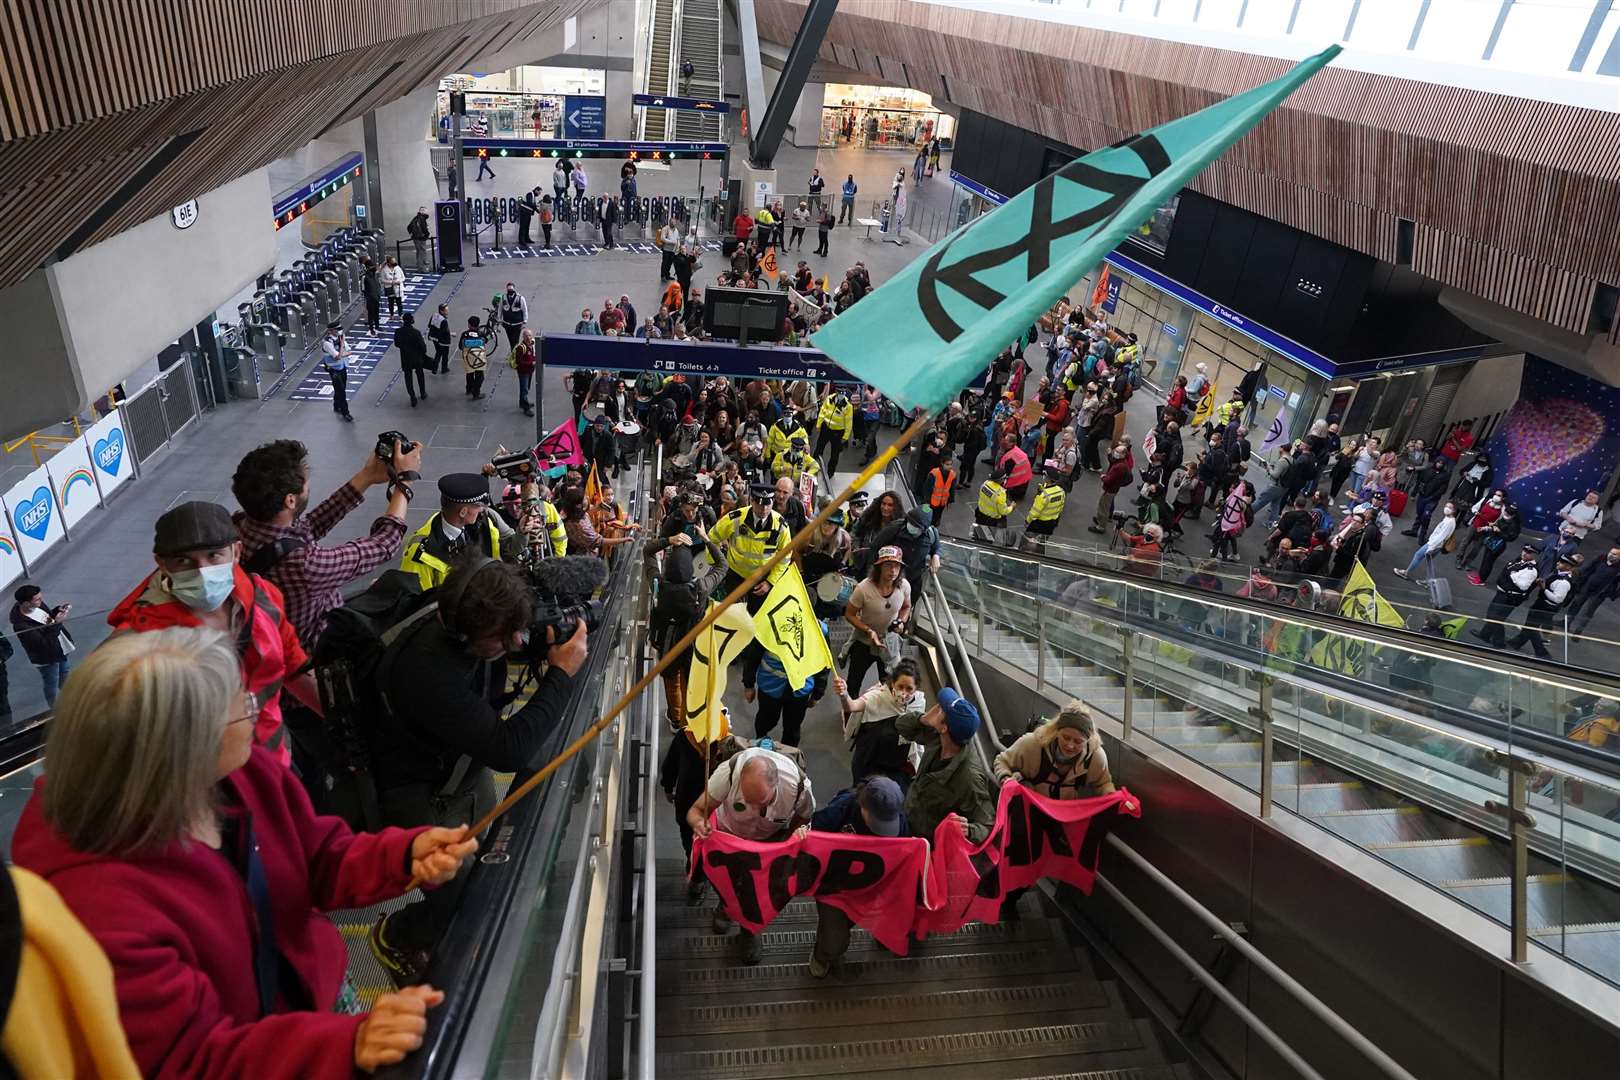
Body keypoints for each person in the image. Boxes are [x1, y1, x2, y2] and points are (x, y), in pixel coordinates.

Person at [11, 627, 478, 1077]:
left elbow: (316, 855)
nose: (256, 712)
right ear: (184, 749)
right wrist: (341, 1046)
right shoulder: (98, 907)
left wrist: (400, 855)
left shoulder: (239, 772)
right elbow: (189, 1063)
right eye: (243, 705)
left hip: (314, 1003)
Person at [366, 560, 587, 983]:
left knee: (483, 855)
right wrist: (560, 675)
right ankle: (397, 935)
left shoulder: (462, 613)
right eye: (504, 639)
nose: (516, 642)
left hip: (458, 765)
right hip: (416, 789)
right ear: (469, 635)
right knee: (457, 885)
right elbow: (509, 751)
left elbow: (509, 641)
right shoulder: (428, 671)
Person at [109, 500, 319, 763]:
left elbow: (293, 666)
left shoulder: (264, 598)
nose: (203, 571)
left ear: (236, 551)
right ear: (162, 564)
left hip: (271, 763)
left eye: (214, 555)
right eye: (184, 561)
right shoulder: (137, 640)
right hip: (202, 784)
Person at [232, 437, 417, 645]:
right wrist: (404, 482)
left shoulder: (240, 526)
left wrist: (367, 476)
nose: (309, 484)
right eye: (306, 482)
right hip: (316, 645)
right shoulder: (304, 565)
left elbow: (308, 527)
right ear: (290, 500)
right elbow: (384, 544)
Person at [687, 745, 814, 963]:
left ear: (777, 786)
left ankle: (749, 931)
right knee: (728, 883)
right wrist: (699, 823)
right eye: (747, 800)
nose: (753, 809)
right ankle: (726, 907)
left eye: (761, 803)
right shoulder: (728, 773)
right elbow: (695, 811)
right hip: (730, 840)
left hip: (767, 847)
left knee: (757, 894)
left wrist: (792, 840)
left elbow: (806, 816)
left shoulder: (798, 787)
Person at [804, 776, 908, 979]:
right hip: (833, 887)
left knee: (843, 925)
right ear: (863, 806)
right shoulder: (843, 808)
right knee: (835, 941)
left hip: (867, 887)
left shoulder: (900, 823)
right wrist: (803, 835)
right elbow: (815, 832)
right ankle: (822, 954)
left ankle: (825, 944)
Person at [896, 688, 995, 844]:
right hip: (909, 814)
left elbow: (987, 824)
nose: (935, 708)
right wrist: (923, 719)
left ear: (945, 728)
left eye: (940, 709)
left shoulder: (970, 778)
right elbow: (901, 725)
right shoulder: (939, 738)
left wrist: (968, 830)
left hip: (926, 841)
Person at [399, 474, 518, 591]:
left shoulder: (484, 523)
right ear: (463, 512)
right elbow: (416, 602)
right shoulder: (419, 554)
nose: (483, 510)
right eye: (479, 506)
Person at [844, 546, 912, 696]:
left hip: (889, 643)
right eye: (888, 565)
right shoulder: (863, 589)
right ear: (879, 567)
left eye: (897, 566)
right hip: (864, 643)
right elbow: (849, 614)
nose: (893, 571)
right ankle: (849, 711)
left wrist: (900, 621)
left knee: (890, 682)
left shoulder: (904, 586)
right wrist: (868, 631)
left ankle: (881, 709)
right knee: (854, 682)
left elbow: (907, 606)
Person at [8, 586, 73, 708]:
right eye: (37, 599)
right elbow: (43, 644)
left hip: (59, 648)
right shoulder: (21, 625)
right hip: (47, 657)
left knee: (64, 673)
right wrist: (58, 623)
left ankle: (70, 702)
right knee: (52, 683)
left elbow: (46, 618)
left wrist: (56, 611)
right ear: (26, 603)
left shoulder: (36, 605)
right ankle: (54, 710)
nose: (41, 601)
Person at [1507, 552, 1578, 659]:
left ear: (1568, 567)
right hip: (1542, 603)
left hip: (1546, 606)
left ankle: (1542, 652)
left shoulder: (1564, 582)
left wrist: (1543, 588)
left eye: (1562, 562)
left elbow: (1558, 599)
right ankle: (1516, 642)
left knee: (1532, 627)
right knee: (1530, 625)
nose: (1558, 563)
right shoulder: (1558, 573)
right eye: (1559, 560)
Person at [1473, 544, 1541, 649]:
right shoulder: (1518, 561)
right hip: (1502, 592)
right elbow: (1506, 570)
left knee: (1497, 618)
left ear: (1534, 555)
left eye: (1528, 552)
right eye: (1524, 550)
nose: (1525, 553)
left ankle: (1499, 642)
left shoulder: (1531, 570)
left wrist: (1513, 575)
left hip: (1510, 597)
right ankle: (1485, 634)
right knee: (1491, 614)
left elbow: (1523, 586)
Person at [1395, 501, 1456, 580]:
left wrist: (1431, 547)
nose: (1446, 508)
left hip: (1434, 544)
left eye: (1450, 507)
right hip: (1436, 544)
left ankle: (1405, 573)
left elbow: (1441, 536)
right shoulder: (1448, 519)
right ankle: (1428, 581)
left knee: (1418, 555)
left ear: (1454, 510)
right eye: (1446, 506)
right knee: (1429, 562)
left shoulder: (1450, 522)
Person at [1570, 546, 1620, 635]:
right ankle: (1566, 622)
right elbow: (1588, 568)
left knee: (1588, 611)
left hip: (1600, 593)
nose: (1611, 555)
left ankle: (1579, 630)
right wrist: (1579, 578)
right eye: (1610, 552)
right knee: (1576, 604)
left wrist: (1614, 594)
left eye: (1614, 554)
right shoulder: (1601, 558)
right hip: (1587, 586)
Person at [1023, 464, 1067, 552]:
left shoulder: (1043, 496)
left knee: (1028, 541)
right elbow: (1060, 507)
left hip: (1039, 524)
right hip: (1051, 523)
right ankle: (1040, 553)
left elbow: (1034, 512)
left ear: (1048, 478)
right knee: (1042, 542)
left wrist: (1027, 521)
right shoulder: (1061, 491)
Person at [1090, 447, 1132, 534]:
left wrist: (1103, 477)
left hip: (1109, 490)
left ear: (1123, 454)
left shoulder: (1119, 467)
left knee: (1104, 507)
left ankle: (1101, 526)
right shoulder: (1121, 462)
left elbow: (1109, 480)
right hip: (1111, 489)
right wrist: (1109, 454)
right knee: (1103, 505)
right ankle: (1100, 519)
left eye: (1118, 452)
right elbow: (1112, 462)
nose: (1115, 453)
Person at [318, 321, 353, 421]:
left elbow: (349, 351)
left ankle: (336, 404)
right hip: (333, 369)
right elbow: (337, 356)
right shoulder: (327, 343)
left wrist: (342, 351)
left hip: (342, 366)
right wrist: (342, 345)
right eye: (337, 330)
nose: (339, 331)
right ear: (330, 331)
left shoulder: (340, 337)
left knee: (342, 387)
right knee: (341, 390)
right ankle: (345, 412)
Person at [394, 311, 428, 407]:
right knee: (420, 375)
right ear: (412, 320)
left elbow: (397, 344)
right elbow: (423, 346)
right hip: (417, 358)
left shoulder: (398, 332)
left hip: (405, 358)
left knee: (408, 378)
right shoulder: (416, 332)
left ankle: (412, 396)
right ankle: (422, 393)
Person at [460, 315, 489, 399]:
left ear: (469, 325)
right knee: (480, 376)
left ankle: (469, 389)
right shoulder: (481, 334)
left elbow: (460, 346)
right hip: (479, 358)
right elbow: (486, 340)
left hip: (468, 358)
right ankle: (476, 393)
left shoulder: (464, 334)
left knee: (469, 374)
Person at [513, 326, 537, 417]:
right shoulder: (521, 348)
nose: (528, 337)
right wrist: (531, 363)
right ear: (523, 337)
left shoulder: (532, 344)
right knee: (524, 389)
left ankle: (522, 402)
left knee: (526, 387)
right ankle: (526, 408)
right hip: (523, 371)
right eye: (526, 335)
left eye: (530, 335)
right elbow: (518, 361)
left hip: (530, 371)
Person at [427, 302, 452, 374]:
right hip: (442, 340)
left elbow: (429, 325)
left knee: (438, 353)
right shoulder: (443, 321)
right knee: (445, 355)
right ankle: (444, 368)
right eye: (446, 310)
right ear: (441, 311)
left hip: (434, 338)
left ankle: (434, 368)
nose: (447, 311)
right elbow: (445, 332)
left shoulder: (434, 315)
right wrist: (451, 334)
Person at [360, 257, 382, 334]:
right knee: (370, 314)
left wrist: (379, 294)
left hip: (376, 297)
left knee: (376, 313)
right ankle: (371, 328)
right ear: (368, 267)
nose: (373, 268)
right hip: (370, 298)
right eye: (371, 266)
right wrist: (368, 298)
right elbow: (363, 289)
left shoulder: (375, 275)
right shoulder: (364, 277)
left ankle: (377, 326)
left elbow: (377, 285)